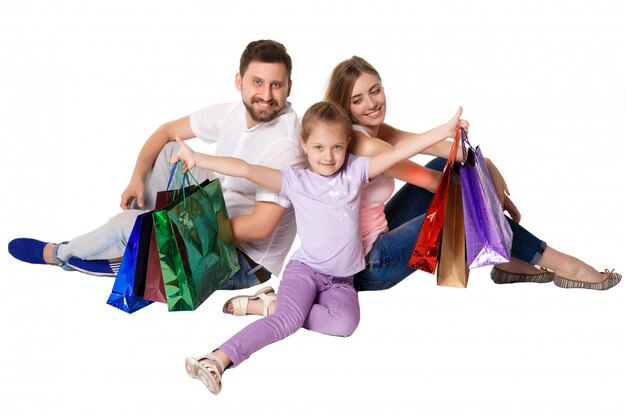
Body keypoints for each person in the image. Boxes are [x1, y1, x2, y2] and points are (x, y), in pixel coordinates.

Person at [223, 56, 619, 317]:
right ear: (345, 107)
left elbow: (446, 152)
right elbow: (433, 182)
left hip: (372, 238)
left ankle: (503, 255)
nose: (371, 103)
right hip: (366, 265)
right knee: (457, 201)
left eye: (375, 90)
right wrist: (487, 199)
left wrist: (489, 169)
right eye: (358, 99)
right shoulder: (358, 141)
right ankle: (553, 260)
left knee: (454, 177)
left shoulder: (377, 128)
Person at [177, 101, 466, 395]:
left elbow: (397, 152)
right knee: (286, 324)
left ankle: (272, 305)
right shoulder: (295, 180)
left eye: (336, 148)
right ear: (304, 145)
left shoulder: (355, 171)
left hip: (342, 280)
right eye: (318, 148)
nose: (328, 157)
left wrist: (442, 131)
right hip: (305, 271)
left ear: (347, 144)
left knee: (346, 324)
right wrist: (197, 157)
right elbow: (246, 169)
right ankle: (218, 358)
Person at [8, 39, 306, 290]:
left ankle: (60, 253)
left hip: (241, 260)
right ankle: (145, 241)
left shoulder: (285, 146)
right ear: (239, 81)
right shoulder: (232, 112)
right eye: (258, 82)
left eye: (276, 85)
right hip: (220, 211)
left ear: (289, 87)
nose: (266, 95)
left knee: (129, 225)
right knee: (169, 153)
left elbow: (260, 227)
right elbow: (166, 132)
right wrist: (136, 179)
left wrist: (184, 230)